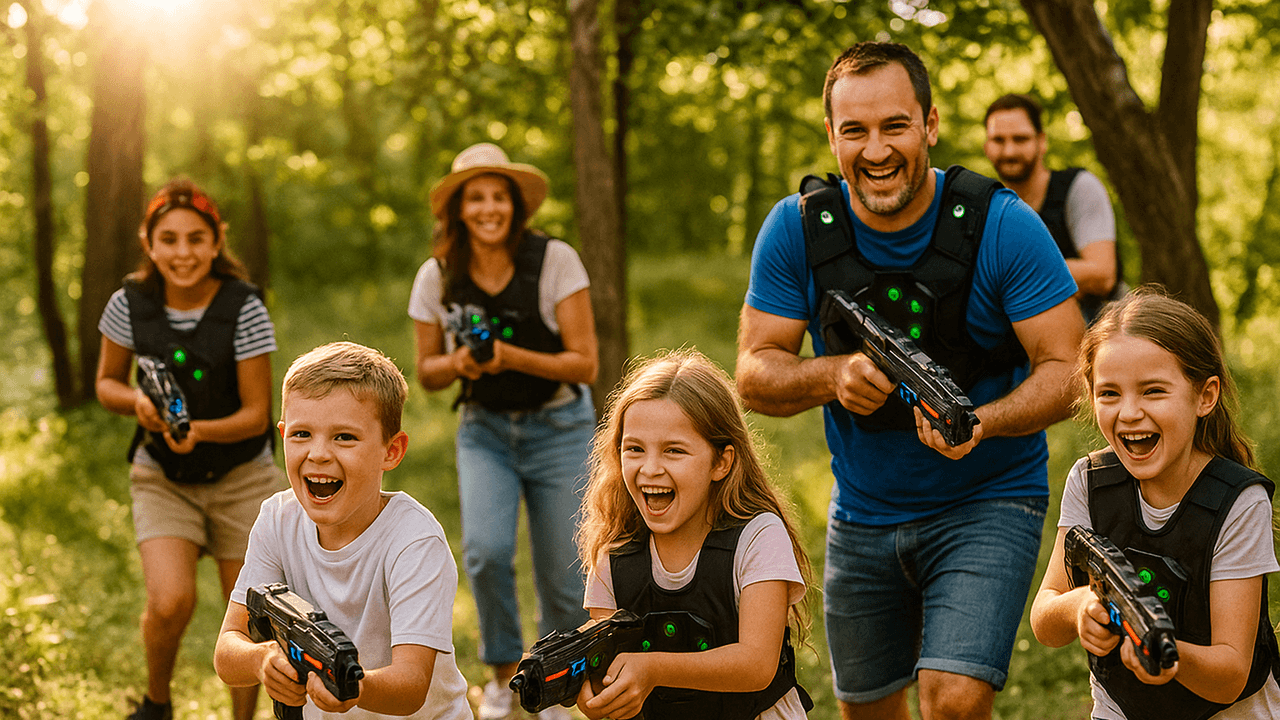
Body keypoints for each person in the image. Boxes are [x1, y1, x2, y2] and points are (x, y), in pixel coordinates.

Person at [735, 42, 1085, 720]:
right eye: (855, 131)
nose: (876, 150)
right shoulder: (796, 229)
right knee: (868, 711)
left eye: (894, 126)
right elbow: (753, 371)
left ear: (930, 124)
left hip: (988, 497)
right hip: (862, 509)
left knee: (952, 698)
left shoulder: (1001, 224)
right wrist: (833, 374)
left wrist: (983, 422)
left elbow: (1071, 369)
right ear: (831, 135)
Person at [408, 142, 597, 720]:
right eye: (476, 198)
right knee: (486, 554)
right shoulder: (437, 275)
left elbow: (585, 363)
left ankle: (556, 680)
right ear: (458, 210)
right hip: (485, 430)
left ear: (516, 206)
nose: (488, 209)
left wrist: (508, 357)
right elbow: (427, 372)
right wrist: (461, 363)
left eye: (499, 197)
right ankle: (500, 675)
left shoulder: (556, 260)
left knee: (563, 567)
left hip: (559, 425)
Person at [1030, 287, 1280, 720]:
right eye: (1109, 393)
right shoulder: (1089, 482)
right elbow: (1045, 619)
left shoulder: (1239, 502)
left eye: (1153, 391)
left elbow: (1231, 674)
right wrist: (1081, 606)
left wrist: (1167, 657)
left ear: (1206, 396)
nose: (1129, 412)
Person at [95, 177, 281, 720]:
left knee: (250, 615)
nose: (183, 252)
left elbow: (255, 415)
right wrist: (137, 402)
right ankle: (157, 704)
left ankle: (242, 718)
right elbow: (107, 384)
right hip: (163, 476)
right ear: (148, 243)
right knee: (170, 601)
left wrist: (197, 431)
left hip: (242, 476)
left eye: (196, 238)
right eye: (169, 239)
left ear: (217, 240)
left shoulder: (244, 307)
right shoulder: (128, 303)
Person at [213, 341, 473, 720]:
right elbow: (227, 650)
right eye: (301, 434)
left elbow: (411, 685)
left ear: (391, 451)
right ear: (282, 436)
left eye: (344, 437)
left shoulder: (414, 541)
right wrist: (262, 658)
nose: (318, 453)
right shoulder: (277, 519)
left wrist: (351, 686)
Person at [574, 349, 813, 720]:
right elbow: (609, 664)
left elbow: (756, 664)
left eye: (673, 451)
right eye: (634, 449)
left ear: (721, 462)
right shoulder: (616, 554)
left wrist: (653, 668)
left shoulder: (759, 537)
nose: (650, 468)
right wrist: (596, 693)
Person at [983, 92, 1123, 322]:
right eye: (998, 140)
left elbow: (1103, 275)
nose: (1009, 151)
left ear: (1042, 142)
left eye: (1020, 139)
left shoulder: (1078, 187)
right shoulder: (987, 206)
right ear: (986, 146)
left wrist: (1013, 275)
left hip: (1103, 325)